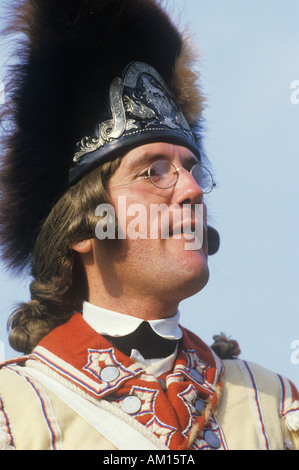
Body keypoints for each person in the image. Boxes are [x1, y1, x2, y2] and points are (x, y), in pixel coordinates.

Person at [0, 0, 298, 451]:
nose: (193, 191)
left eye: (192, 170)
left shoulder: (277, 410)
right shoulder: (14, 413)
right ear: (85, 230)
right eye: (153, 171)